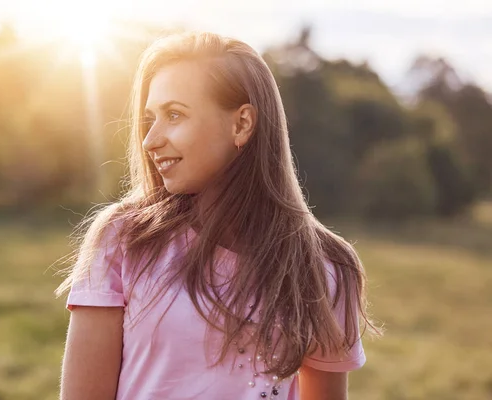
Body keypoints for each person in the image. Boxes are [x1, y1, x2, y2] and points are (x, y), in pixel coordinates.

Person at [56, 31, 376, 400]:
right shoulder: (124, 238)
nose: (150, 139)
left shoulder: (326, 267)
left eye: (174, 115)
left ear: (242, 124)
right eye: (151, 118)